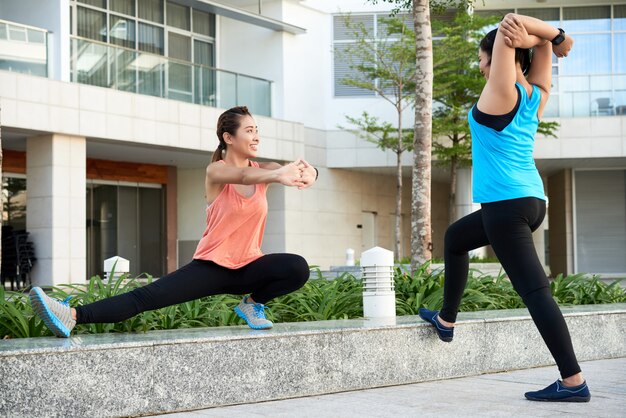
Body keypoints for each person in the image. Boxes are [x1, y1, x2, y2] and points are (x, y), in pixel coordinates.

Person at [418, 14, 590, 402]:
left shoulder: (502, 90)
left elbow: (511, 21)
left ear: (498, 58)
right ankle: (446, 320)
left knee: (535, 292)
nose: (481, 67)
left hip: (507, 206)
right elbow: (543, 48)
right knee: (456, 238)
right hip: (530, 201)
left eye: (483, 59)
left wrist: (555, 36)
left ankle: (573, 381)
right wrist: (553, 39)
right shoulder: (535, 93)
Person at [30, 105, 316, 336]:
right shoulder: (216, 171)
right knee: (146, 298)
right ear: (229, 138)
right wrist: (280, 175)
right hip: (211, 267)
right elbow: (242, 176)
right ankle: (71, 315)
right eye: (250, 130)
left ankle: (252, 305)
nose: (256, 137)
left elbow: (288, 170)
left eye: (257, 131)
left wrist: (309, 172)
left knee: (295, 267)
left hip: (248, 265)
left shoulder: (264, 170)